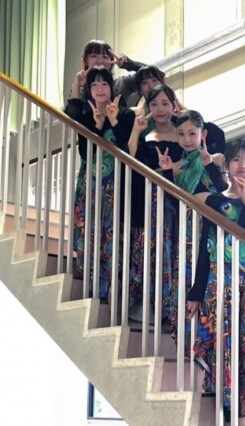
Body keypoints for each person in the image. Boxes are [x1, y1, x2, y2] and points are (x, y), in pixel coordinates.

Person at [186, 138, 245, 426]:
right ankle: (232, 412)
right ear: (226, 164)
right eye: (237, 159)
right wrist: (196, 292)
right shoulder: (215, 201)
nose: (243, 166)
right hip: (221, 284)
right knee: (227, 347)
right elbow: (206, 246)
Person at [156, 110, 228, 343]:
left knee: (208, 272)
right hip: (186, 227)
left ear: (202, 134)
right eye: (181, 134)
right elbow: (172, 200)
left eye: (192, 133)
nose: (186, 139)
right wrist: (167, 171)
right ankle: (186, 334)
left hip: (210, 224)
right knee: (186, 274)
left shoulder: (217, 158)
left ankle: (208, 336)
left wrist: (209, 165)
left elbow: (223, 190)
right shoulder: (178, 165)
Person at [64, 66, 135, 300]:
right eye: (94, 84)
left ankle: (110, 292)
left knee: (113, 237)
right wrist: (96, 125)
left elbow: (128, 149)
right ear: (89, 90)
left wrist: (113, 121)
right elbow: (85, 153)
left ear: (111, 87)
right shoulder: (86, 117)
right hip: (93, 186)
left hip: (118, 186)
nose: (100, 88)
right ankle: (91, 290)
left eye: (104, 83)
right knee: (91, 235)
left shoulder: (126, 115)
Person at [126, 85, 182, 325]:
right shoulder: (145, 132)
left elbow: (191, 162)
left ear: (174, 106)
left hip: (174, 203)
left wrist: (170, 169)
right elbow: (130, 157)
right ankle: (145, 304)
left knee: (172, 251)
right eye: (155, 104)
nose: (160, 109)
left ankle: (169, 307)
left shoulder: (183, 132)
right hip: (147, 201)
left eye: (165, 103)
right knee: (148, 250)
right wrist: (136, 131)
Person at [67, 39, 145, 106]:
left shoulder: (122, 83)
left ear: (112, 62)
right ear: (85, 61)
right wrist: (77, 85)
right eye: (94, 56)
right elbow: (72, 113)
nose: (100, 61)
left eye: (105, 57)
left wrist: (129, 64)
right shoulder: (80, 89)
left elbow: (151, 73)